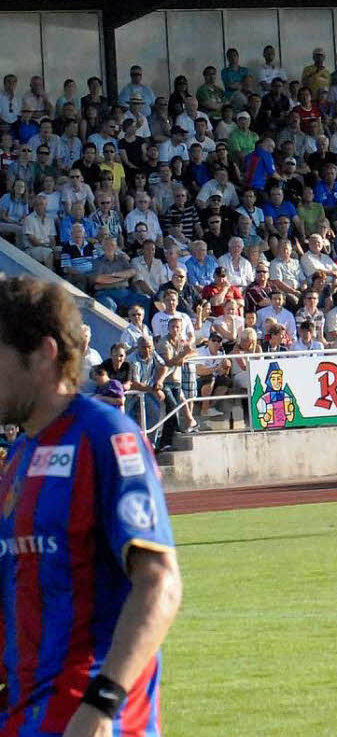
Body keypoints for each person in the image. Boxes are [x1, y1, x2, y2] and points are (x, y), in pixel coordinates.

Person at [0, 276, 181, 736]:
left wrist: (102, 705)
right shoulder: (19, 459)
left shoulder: (107, 437)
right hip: (26, 717)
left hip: (93, 721)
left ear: (43, 352)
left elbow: (159, 583)